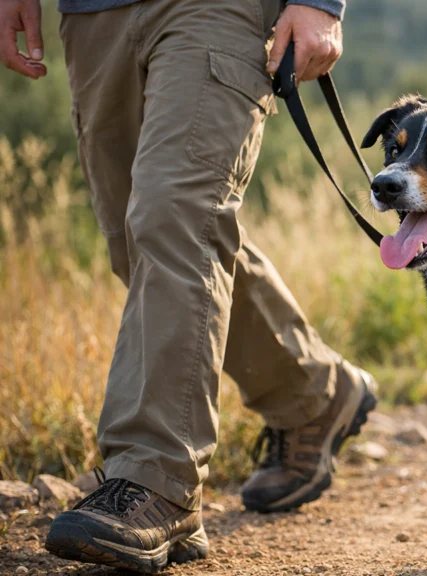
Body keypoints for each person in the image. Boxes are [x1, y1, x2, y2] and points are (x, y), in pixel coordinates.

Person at [0, 0, 377, 571]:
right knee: (142, 239)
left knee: (172, 215)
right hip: (93, 15)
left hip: (218, 9)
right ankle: (313, 393)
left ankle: (155, 481)